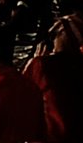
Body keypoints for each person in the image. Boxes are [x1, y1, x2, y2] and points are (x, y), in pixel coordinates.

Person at [23, 11, 83, 143]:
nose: (53, 40)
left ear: (64, 33)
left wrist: (34, 62)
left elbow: (20, 91)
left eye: (55, 34)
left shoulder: (43, 65)